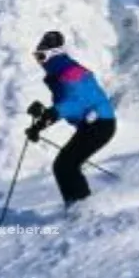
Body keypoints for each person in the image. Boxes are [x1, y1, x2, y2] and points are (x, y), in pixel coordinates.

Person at [25, 30, 117, 207]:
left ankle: (81, 208)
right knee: (65, 165)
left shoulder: (69, 72)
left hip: (99, 125)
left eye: (40, 56)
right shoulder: (63, 71)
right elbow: (69, 105)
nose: (38, 61)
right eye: (36, 56)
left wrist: (48, 115)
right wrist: (41, 122)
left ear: (52, 55)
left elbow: (74, 102)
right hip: (94, 124)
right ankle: (79, 206)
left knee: (65, 166)